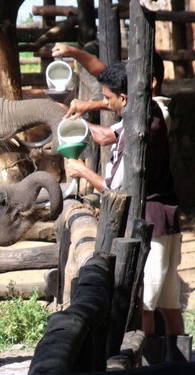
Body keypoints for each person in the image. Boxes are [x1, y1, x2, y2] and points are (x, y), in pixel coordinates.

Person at [49, 47, 186, 357]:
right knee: (167, 303)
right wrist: (74, 120)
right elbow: (105, 135)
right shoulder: (142, 115)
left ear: (124, 98)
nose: (105, 104)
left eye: (109, 99)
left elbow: (115, 185)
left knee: (145, 304)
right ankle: (177, 373)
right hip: (166, 221)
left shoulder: (145, 126)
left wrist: (81, 169)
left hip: (152, 225)